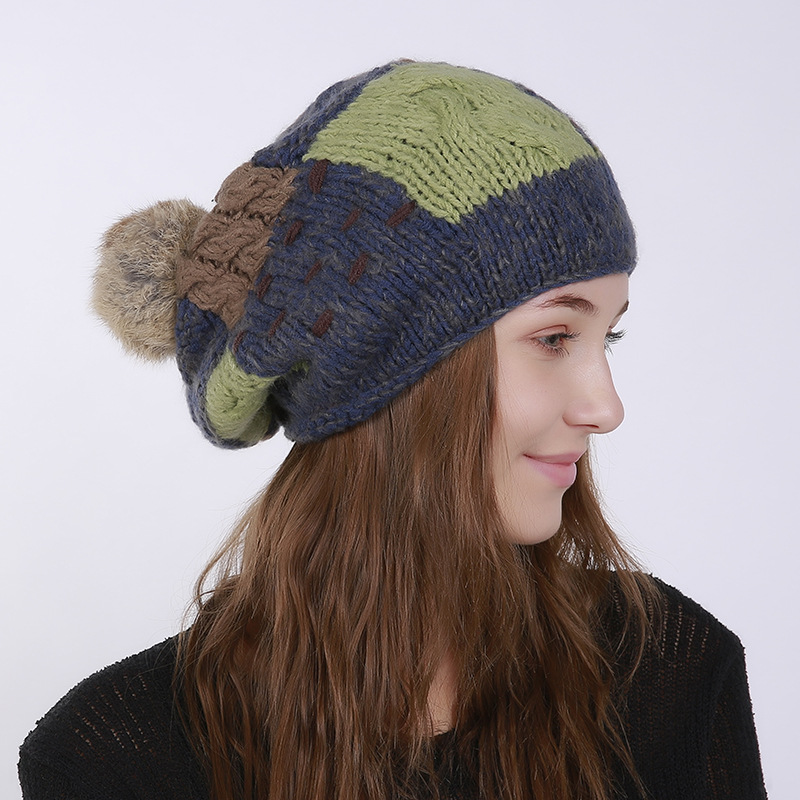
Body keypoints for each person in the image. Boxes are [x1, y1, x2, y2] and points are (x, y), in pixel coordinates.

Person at [18, 61, 767, 800]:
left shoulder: (670, 674)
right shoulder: (115, 761)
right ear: (384, 371)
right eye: (553, 338)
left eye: (610, 337)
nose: (606, 408)